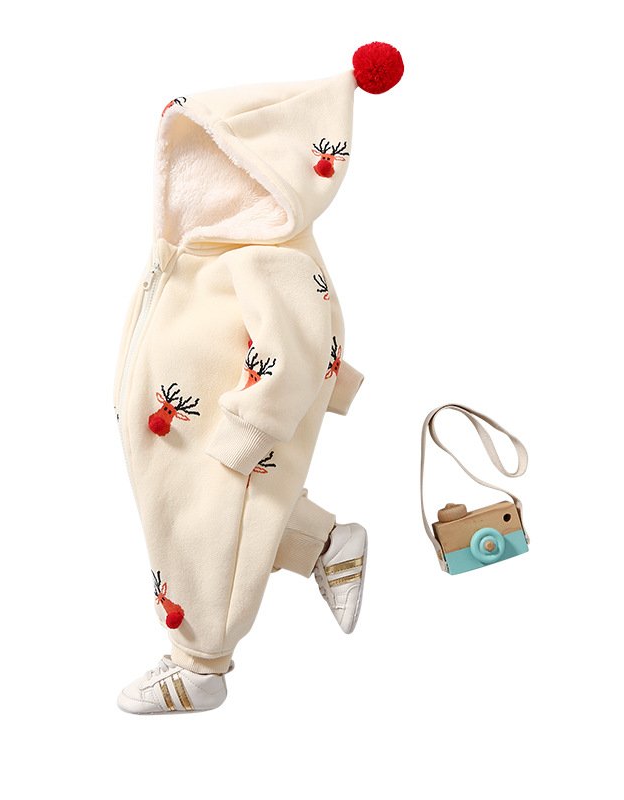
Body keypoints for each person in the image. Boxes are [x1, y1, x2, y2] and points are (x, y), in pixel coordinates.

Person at [112, 42, 403, 714]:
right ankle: (325, 542)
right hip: (181, 431)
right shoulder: (195, 253)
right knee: (206, 518)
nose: (203, 186)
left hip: (227, 431)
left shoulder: (268, 258)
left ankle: (201, 665)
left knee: (205, 537)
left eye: (226, 168)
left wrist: (251, 432)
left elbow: (301, 343)